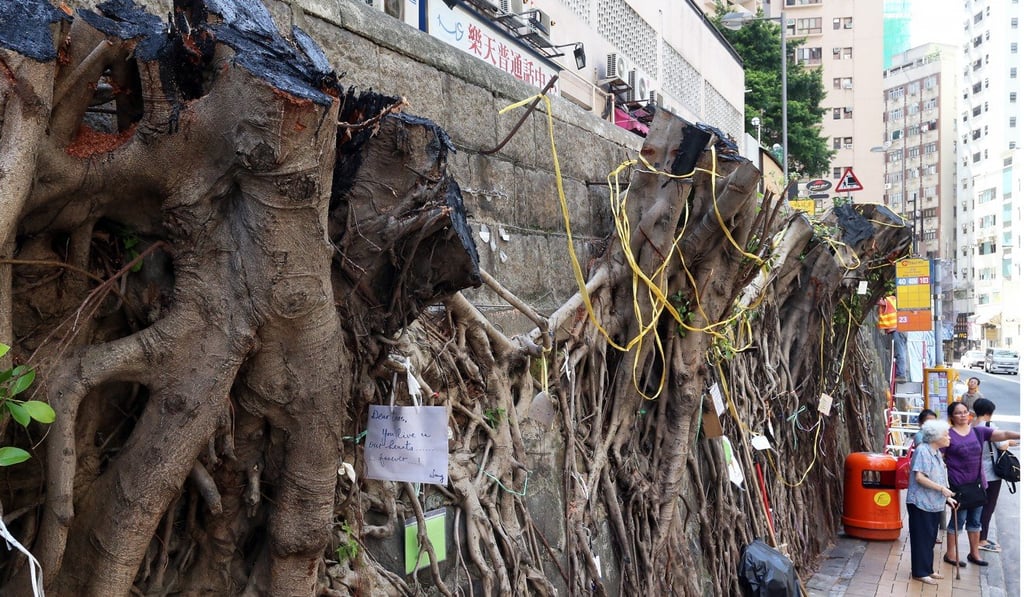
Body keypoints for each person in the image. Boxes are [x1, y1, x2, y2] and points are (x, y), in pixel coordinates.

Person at [943, 401, 1021, 567]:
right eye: (958, 413)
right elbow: (938, 457)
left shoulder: (978, 432)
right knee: (958, 520)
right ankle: (950, 554)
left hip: (978, 484)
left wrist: (1019, 435)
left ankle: (974, 553)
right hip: (958, 486)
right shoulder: (947, 435)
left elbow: (1004, 434)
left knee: (976, 521)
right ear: (951, 417)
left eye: (965, 412)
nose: (963, 415)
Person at [906, 420, 956, 585]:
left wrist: (947, 497)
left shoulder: (935, 453)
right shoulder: (922, 451)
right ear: (935, 437)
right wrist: (942, 489)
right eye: (946, 434)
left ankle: (928, 569)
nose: (949, 437)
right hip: (921, 502)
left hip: (933, 503)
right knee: (922, 538)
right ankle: (920, 572)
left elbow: (938, 476)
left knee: (929, 538)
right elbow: (920, 477)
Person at [973, 398, 1019, 552]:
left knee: (979, 506)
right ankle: (982, 539)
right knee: (988, 506)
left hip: (975, 471)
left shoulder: (971, 425)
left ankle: (978, 535)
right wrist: (1011, 442)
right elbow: (1002, 444)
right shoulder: (989, 426)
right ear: (989, 413)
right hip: (990, 473)